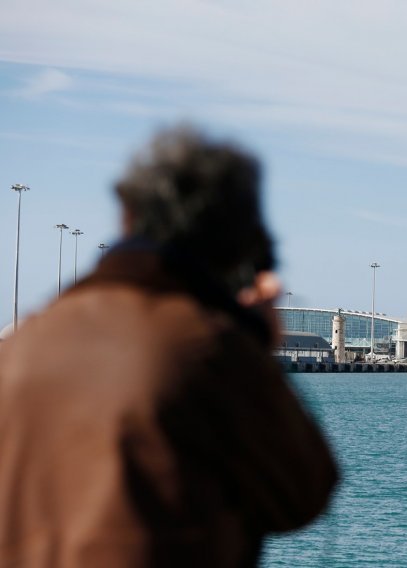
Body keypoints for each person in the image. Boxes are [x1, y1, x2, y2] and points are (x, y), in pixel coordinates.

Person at [0, 126, 338, 567]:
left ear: (126, 216)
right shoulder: (207, 347)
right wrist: (255, 342)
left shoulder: (22, 342)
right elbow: (302, 494)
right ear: (237, 244)